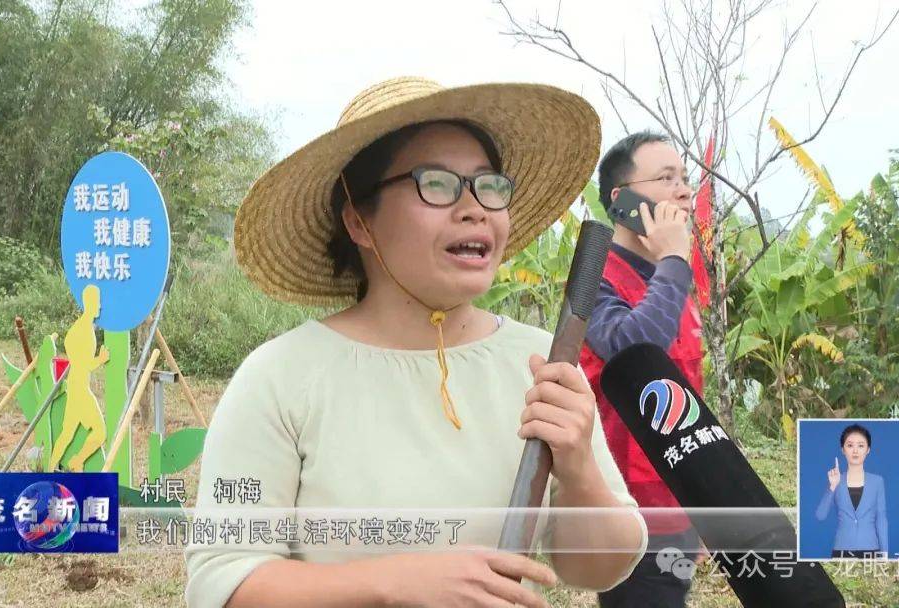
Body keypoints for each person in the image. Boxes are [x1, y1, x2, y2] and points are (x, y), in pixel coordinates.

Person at [184, 77, 648, 608]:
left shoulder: (540, 364)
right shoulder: (280, 376)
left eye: (488, 186)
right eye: (438, 183)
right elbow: (223, 583)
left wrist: (579, 467)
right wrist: (394, 583)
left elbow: (597, 568)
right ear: (359, 220)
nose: (475, 208)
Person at [578, 130, 703, 608]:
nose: (684, 190)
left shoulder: (672, 283)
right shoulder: (596, 278)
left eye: (685, 178)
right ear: (623, 199)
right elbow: (634, 352)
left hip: (679, 511)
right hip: (628, 517)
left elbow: (690, 398)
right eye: (666, 178)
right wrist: (674, 257)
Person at [815, 423, 889, 558]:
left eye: (861, 445)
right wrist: (832, 486)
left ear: (868, 450)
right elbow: (820, 516)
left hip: (870, 549)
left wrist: (884, 554)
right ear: (843, 449)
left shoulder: (877, 481)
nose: (855, 451)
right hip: (841, 550)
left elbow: (881, 519)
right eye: (850, 445)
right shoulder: (836, 480)